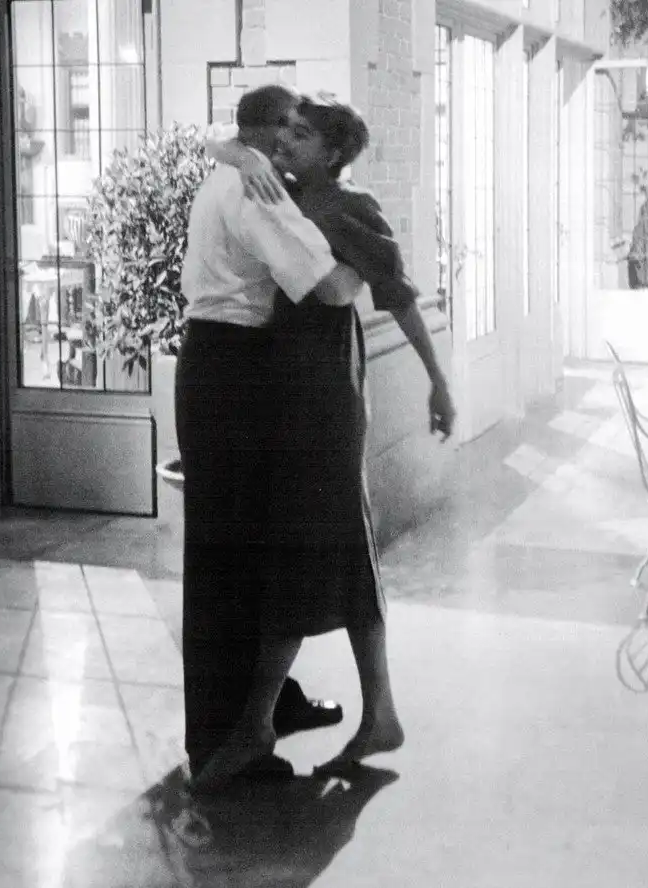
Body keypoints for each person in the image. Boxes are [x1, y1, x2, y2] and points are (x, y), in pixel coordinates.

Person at [193, 94, 456, 792]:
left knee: (304, 553)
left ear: (333, 152)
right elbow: (223, 137)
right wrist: (233, 149)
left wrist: (439, 382)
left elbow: (399, 296)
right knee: (341, 551)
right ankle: (379, 714)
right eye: (286, 130)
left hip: (324, 396)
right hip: (286, 394)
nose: (288, 140)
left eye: (303, 134)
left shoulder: (351, 208)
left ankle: (257, 726)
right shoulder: (274, 187)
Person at [177, 84, 368, 786]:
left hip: (212, 364)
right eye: (285, 126)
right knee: (229, 562)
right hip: (236, 373)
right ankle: (224, 739)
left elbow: (216, 136)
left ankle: (268, 709)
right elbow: (329, 286)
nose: (292, 137)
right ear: (260, 132)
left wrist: (230, 147)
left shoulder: (226, 172)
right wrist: (370, 261)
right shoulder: (256, 189)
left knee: (240, 552)